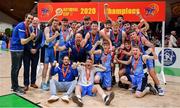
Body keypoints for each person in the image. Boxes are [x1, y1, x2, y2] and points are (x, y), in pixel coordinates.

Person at [129, 29, 165, 96]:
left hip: (148, 56)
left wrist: (153, 53)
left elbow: (152, 46)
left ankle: (159, 87)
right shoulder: (132, 42)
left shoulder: (142, 39)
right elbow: (132, 52)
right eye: (131, 35)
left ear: (136, 34)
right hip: (141, 57)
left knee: (152, 73)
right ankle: (140, 86)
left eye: (133, 34)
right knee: (139, 72)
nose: (132, 36)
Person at [10, 13, 35, 94]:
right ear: (25, 18)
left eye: (31, 19)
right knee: (15, 68)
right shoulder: (21, 26)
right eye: (29, 18)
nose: (30, 20)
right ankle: (15, 87)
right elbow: (23, 41)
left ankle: (14, 85)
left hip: (20, 50)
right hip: (16, 50)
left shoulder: (27, 27)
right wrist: (31, 37)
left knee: (18, 67)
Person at [23, 17, 43, 91]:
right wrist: (30, 49)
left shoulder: (40, 32)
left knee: (34, 68)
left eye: (36, 21)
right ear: (32, 21)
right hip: (27, 52)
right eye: (34, 20)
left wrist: (36, 49)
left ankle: (33, 82)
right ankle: (26, 84)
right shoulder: (27, 29)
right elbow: (25, 41)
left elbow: (41, 42)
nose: (35, 22)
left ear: (38, 23)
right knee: (26, 68)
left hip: (36, 52)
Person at [41, 17, 60, 90]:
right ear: (52, 23)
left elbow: (58, 40)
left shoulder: (57, 30)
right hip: (45, 49)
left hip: (52, 49)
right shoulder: (47, 29)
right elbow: (48, 40)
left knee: (53, 66)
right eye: (54, 23)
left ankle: (49, 81)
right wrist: (55, 35)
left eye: (57, 23)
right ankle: (43, 83)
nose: (55, 24)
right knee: (45, 67)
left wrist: (57, 44)